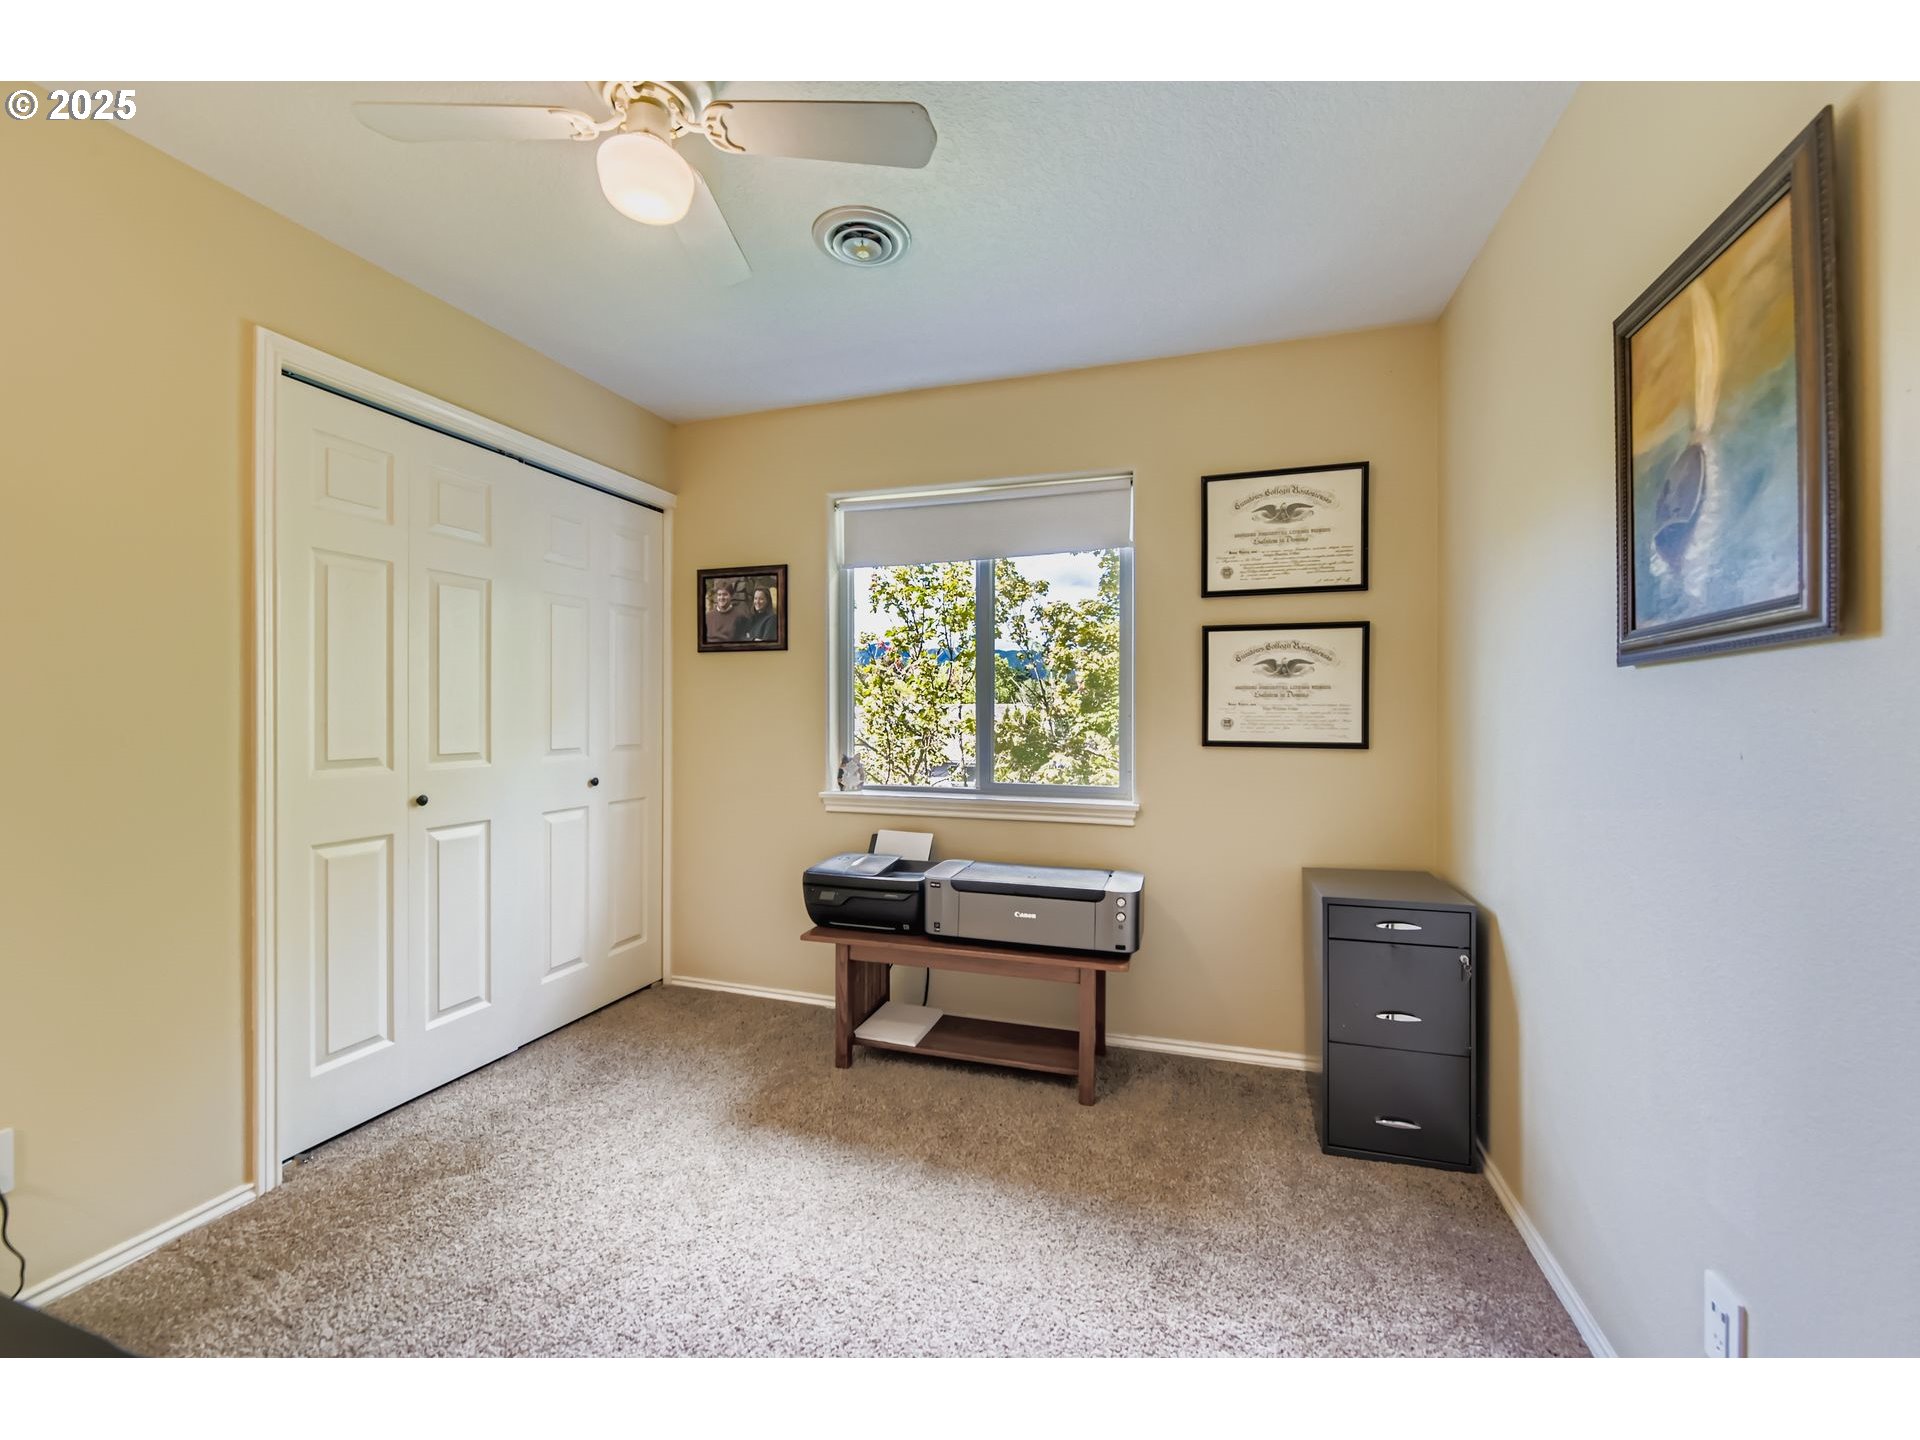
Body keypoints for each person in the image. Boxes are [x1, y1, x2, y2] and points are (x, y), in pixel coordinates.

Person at [704, 580, 750, 644]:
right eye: (719, 595)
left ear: (731, 596)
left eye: (725, 594)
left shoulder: (740, 616)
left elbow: (743, 640)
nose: (721, 597)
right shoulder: (707, 617)